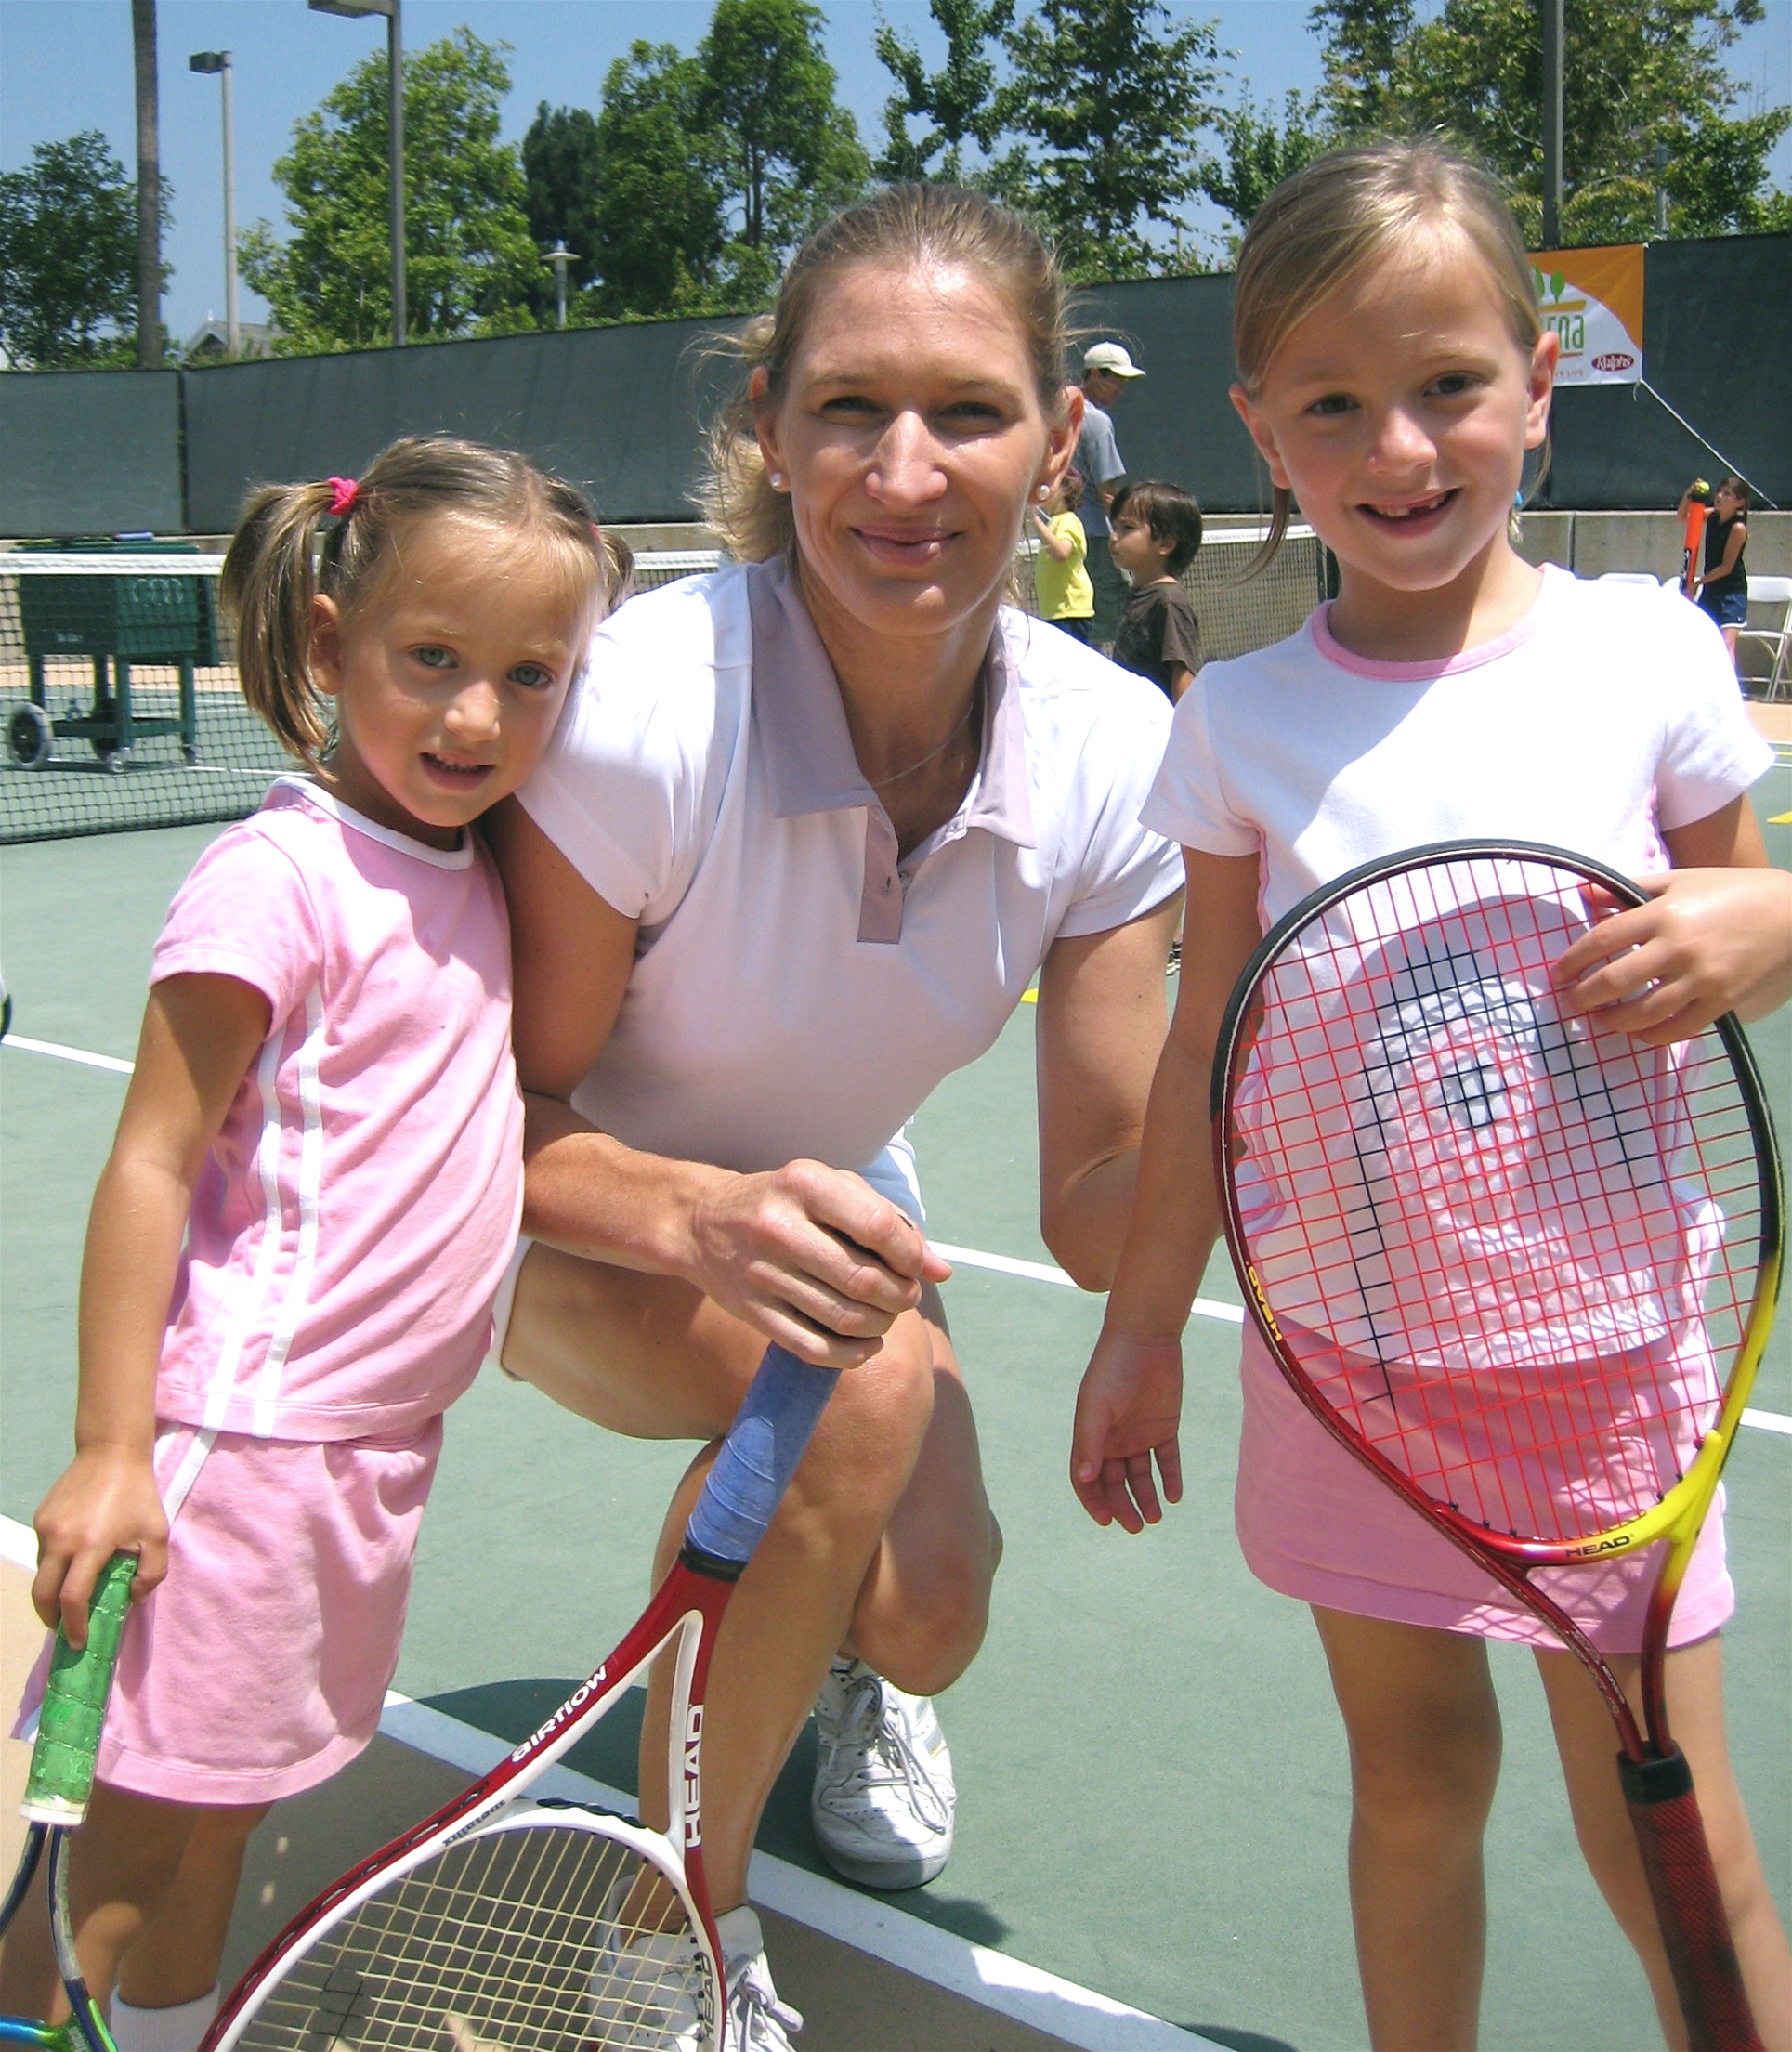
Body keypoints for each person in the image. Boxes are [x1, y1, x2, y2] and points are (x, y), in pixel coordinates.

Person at [1072, 139, 1792, 2050]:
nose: (1399, 446)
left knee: (1674, 1831)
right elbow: (1203, 1055)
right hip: (1356, 1380)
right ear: (1259, 428)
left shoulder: (1648, 653)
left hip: (1614, 1380)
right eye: (1332, 402)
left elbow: (1741, 932)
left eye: (1449, 384)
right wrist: (1141, 1329)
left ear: (1537, 386)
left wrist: (1765, 926)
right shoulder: (1237, 724)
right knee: (1409, 1788)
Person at [485, 183, 1184, 2050]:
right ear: (765, 432)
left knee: (931, 1610)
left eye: (966, 410)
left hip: (836, 1196)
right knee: (855, 1400)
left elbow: (1105, 1199)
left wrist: (1265, 1182)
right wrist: (690, 1221)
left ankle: (848, 1670)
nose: (903, 468)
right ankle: (670, 1934)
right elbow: (492, 1119)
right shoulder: (638, 717)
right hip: (561, 1214)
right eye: (847, 410)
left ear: (1054, 441)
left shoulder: (1113, 758)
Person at [0, 439, 617, 2050]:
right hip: (238, 1455)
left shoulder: (477, 862)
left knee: (226, 1816)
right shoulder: (272, 876)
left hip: (366, 1459)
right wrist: (111, 1445)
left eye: (528, 675)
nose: (476, 717)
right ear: (331, 646)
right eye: (431, 660)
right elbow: (149, 1160)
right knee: (117, 1860)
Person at [1075, 340, 1145, 645]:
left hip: (1063, 538)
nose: (1120, 388)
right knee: (1122, 618)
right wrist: (1133, 538)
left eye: (1123, 381)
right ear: (1093, 374)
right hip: (1096, 540)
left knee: (1080, 617)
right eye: (1115, 379)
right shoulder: (1097, 422)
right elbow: (1108, 496)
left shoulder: (1055, 412)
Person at [1108, 478, 1204, 701]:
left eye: (1127, 528)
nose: (1114, 537)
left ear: (1166, 544)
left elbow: (1182, 674)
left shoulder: (1169, 601)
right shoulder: (1140, 593)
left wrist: (1182, 732)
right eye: (1114, 527)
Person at [1681, 475, 1751, 662]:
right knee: (1701, 640)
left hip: (1732, 594)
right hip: (1711, 590)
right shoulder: (1712, 516)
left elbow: (1727, 567)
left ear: (1740, 502)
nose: (1719, 496)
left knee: (1726, 645)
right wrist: (1691, 494)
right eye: (1719, 492)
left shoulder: (1738, 528)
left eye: (1727, 494)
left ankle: (1729, 690)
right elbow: (1683, 517)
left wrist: (1698, 582)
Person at [1030, 464, 1096, 641]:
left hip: (1070, 610)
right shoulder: (1053, 522)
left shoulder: (1068, 520)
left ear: (1066, 490)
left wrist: (1036, 521)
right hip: (1054, 611)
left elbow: (1061, 553)